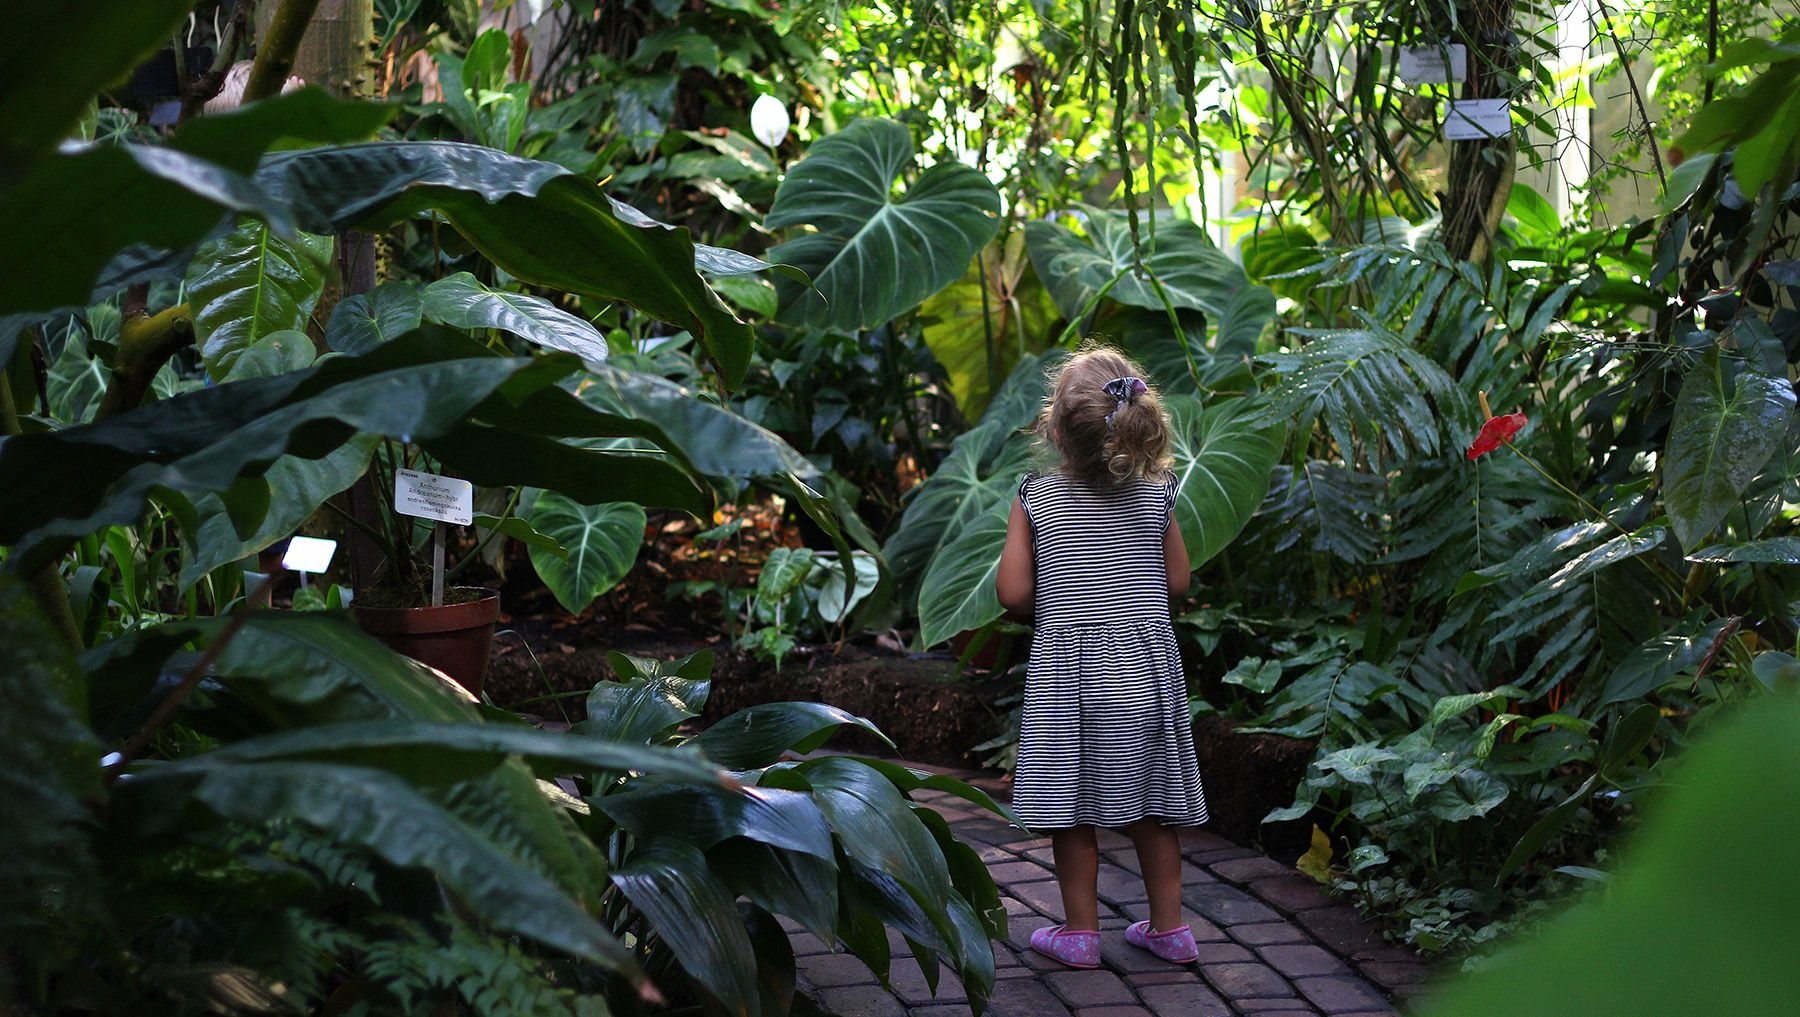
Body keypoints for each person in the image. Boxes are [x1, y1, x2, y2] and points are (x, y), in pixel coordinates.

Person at [995, 345, 1209, 969]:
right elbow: (1178, 582)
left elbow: (1012, 594)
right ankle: (1170, 929)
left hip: (1067, 678)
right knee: (1152, 806)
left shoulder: (1036, 495)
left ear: (1056, 430)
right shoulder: (1160, 491)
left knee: (1072, 808)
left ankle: (1081, 933)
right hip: (1148, 673)